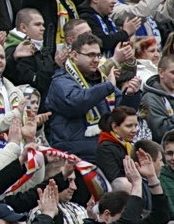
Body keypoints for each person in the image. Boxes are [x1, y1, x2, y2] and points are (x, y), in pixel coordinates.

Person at [47, 33, 142, 161]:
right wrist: (107, 86)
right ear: (74, 55)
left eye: (98, 55)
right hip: (75, 155)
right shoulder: (60, 81)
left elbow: (121, 116)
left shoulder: (101, 80)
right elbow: (74, 103)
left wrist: (130, 95)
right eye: (90, 55)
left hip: (104, 150)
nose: (96, 60)